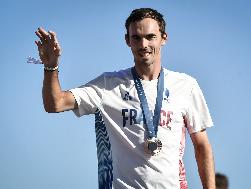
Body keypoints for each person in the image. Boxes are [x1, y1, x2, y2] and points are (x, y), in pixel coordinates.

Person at [35, 8, 215, 189]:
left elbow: (202, 146)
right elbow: (55, 103)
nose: (143, 44)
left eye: (151, 37)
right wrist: (51, 67)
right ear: (127, 40)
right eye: (136, 37)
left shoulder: (186, 85)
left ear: (164, 38)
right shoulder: (108, 84)